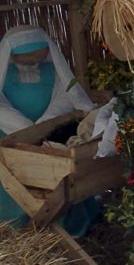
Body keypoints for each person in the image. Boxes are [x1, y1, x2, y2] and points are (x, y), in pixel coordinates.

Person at [0, 25, 98, 236]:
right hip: (8, 136)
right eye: (24, 57)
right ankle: (14, 227)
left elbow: (66, 97)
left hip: (52, 137)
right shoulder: (3, 74)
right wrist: (25, 129)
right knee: (13, 184)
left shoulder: (54, 71)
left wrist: (45, 124)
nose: (31, 60)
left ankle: (63, 227)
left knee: (60, 180)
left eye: (36, 55)